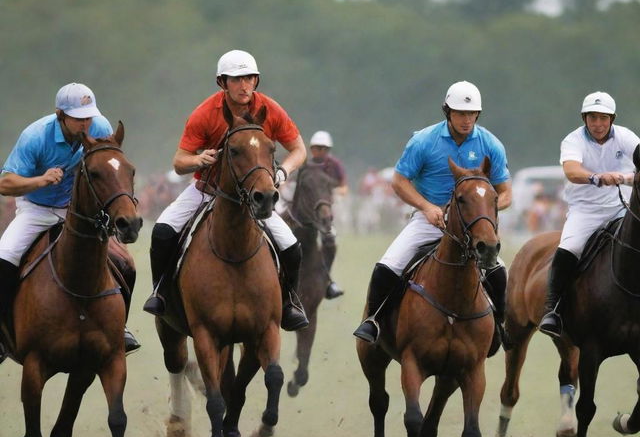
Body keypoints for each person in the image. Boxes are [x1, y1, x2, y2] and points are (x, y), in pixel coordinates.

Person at [142, 49, 309, 330]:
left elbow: (298, 149)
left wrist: (282, 171)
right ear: (222, 82)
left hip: (255, 197)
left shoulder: (270, 109)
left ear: (256, 80)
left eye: (249, 79)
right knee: (162, 231)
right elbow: (179, 162)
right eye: (236, 79)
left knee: (291, 245)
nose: (244, 86)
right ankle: (160, 292)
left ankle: (290, 301)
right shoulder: (206, 113)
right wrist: (198, 159)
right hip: (207, 189)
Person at [353, 80, 512, 344]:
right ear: (447, 112)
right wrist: (426, 207)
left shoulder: (491, 144)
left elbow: (506, 193)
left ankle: (500, 326)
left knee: (498, 271)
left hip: (471, 227)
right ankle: (373, 320)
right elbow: (399, 181)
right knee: (388, 265)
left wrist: (486, 208)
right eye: (460, 113)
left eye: (471, 114)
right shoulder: (424, 141)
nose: (466, 119)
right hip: (430, 221)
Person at [0, 83, 141, 362]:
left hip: (76, 212)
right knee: (3, 258)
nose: (85, 123)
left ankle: (119, 327)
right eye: (79, 118)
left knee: (125, 263)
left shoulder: (99, 127)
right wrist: (39, 180)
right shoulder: (36, 136)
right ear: (60, 114)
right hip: (35, 209)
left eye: (88, 116)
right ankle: (2, 334)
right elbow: (5, 183)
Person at [539, 91, 640, 337]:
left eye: (603, 118)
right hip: (586, 211)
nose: (598, 124)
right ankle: (553, 308)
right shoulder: (573, 141)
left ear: (612, 119)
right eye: (592, 118)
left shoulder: (625, 136)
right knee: (569, 248)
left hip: (620, 207)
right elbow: (572, 171)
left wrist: (630, 178)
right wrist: (596, 177)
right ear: (584, 118)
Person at [279, 130, 347, 299]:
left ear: (328, 149)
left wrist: (332, 193)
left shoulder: (334, 165)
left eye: (324, 148)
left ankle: (327, 280)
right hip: (303, 208)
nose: (320, 151)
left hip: (325, 208)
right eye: (317, 148)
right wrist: (282, 184)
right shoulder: (305, 165)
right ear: (312, 148)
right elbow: (290, 180)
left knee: (331, 238)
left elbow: (344, 186)